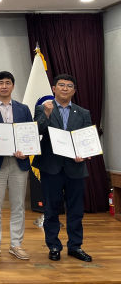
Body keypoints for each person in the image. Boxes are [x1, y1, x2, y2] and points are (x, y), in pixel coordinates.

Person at [34, 73, 93, 262]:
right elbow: (37, 131)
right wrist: (46, 114)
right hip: (51, 166)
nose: (65, 88)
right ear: (54, 88)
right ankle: (53, 246)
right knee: (51, 209)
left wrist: (85, 153)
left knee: (76, 210)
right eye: (61, 85)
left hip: (76, 167)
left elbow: (86, 138)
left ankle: (75, 246)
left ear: (74, 91)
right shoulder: (43, 108)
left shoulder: (83, 112)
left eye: (69, 86)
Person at [0, 71, 33, 260]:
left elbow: (29, 133)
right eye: (0, 83)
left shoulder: (23, 108)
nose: (4, 86)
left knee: (18, 205)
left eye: (8, 82)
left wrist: (26, 150)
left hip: (19, 161)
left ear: (13, 86)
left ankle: (16, 244)